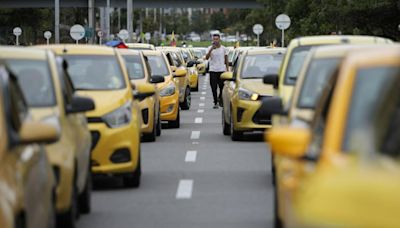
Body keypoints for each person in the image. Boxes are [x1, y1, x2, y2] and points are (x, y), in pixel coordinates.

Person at [206, 33, 229, 109]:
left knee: (222, 87)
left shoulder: (224, 49)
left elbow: (226, 59)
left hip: (222, 70)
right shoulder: (209, 48)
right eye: (214, 39)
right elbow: (206, 58)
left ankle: (220, 98)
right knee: (213, 87)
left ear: (219, 39)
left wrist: (227, 69)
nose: (215, 40)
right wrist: (211, 49)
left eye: (217, 39)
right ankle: (215, 102)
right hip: (213, 70)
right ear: (212, 40)